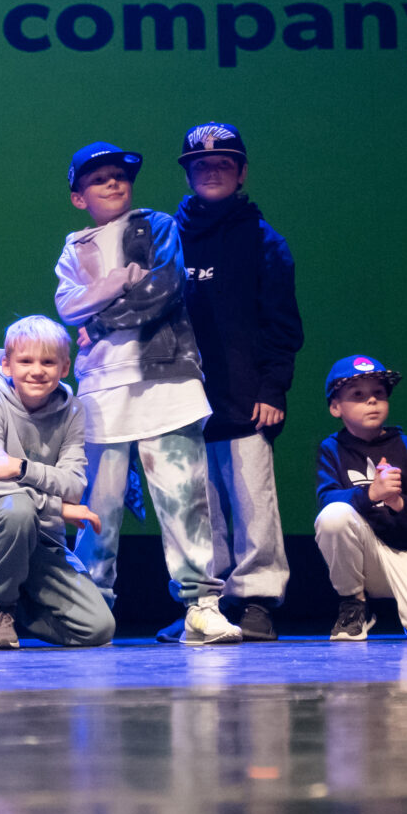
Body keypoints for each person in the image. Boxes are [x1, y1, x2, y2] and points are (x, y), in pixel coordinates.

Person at [54, 142, 242, 645]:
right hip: (101, 387)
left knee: (184, 501)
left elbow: (162, 290)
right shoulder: (74, 248)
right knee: (98, 507)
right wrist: (119, 282)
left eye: (120, 175)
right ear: (78, 197)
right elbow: (67, 307)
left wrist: (99, 319)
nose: (113, 183)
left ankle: (201, 607)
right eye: (99, 179)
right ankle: (91, 611)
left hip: (167, 379)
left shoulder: (156, 225)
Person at [173, 123, 304, 641]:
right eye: (201, 164)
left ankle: (256, 601)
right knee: (195, 508)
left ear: (242, 172)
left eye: (223, 164)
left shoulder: (264, 240)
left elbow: (283, 324)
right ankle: (205, 604)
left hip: (247, 397)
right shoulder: (168, 237)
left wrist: (273, 387)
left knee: (253, 504)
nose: (212, 171)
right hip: (181, 400)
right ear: (188, 173)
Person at [0, 316, 115, 650]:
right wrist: (58, 508)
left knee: (99, 629)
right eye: (26, 361)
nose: (37, 371)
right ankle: (0, 607)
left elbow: (74, 486)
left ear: (64, 367)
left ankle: (6, 598)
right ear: (7, 365)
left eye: (48, 362)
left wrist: (19, 467)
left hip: (41, 535)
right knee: (17, 509)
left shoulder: (73, 410)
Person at [313, 355, 407, 641]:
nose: (371, 401)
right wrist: (371, 494)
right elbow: (328, 501)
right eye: (358, 395)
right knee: (334, 516)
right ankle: (354, 605)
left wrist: (398, 503)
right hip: (365, 557)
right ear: (336, 407)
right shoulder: (332, 449)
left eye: (378, 393)